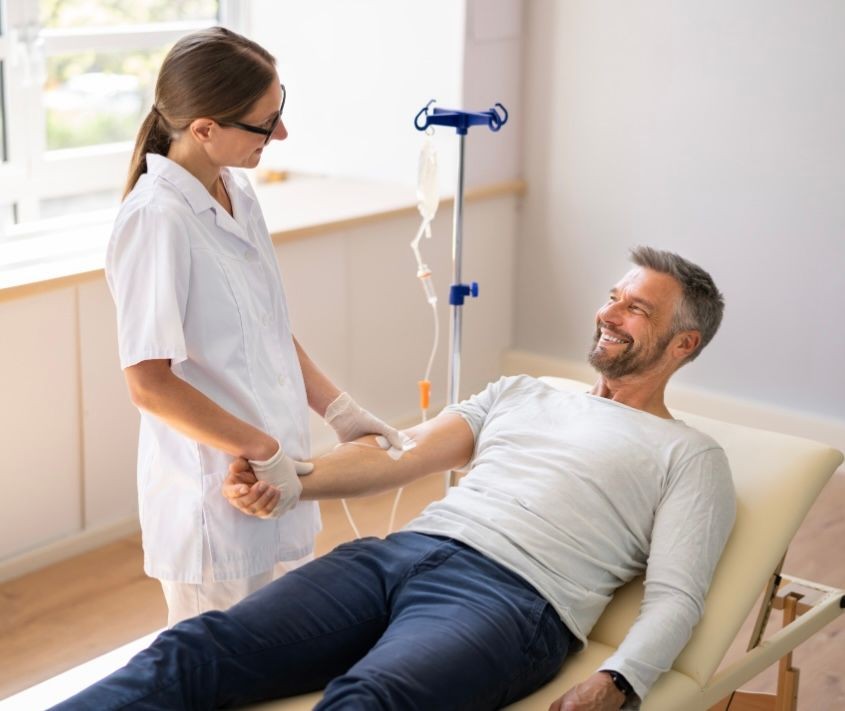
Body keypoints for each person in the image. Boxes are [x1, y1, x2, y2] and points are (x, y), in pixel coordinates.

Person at [54, 247, 735, 711]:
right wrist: (292, 480)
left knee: (367, 701)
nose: (607, 314)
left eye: (635, 310)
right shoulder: (523, 391)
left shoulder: (689, 455)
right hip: (396, 556)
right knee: (195, 648)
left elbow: (676, 595)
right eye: (613, 297)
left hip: (511, 601)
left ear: (683, 344)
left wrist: (619, 680)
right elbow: (399, 453)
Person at [109, 26, 407, 626]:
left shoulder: (239, 194)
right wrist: (259, 448)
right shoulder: (156, 219)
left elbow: (269, 329)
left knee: (285, 656)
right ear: (204, 129)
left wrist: (340, 410)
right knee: (222, 673)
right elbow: (149, 383)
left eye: (280, 112)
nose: (282, 134)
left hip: (278, 479)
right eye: (265, 123)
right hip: (217, 495)